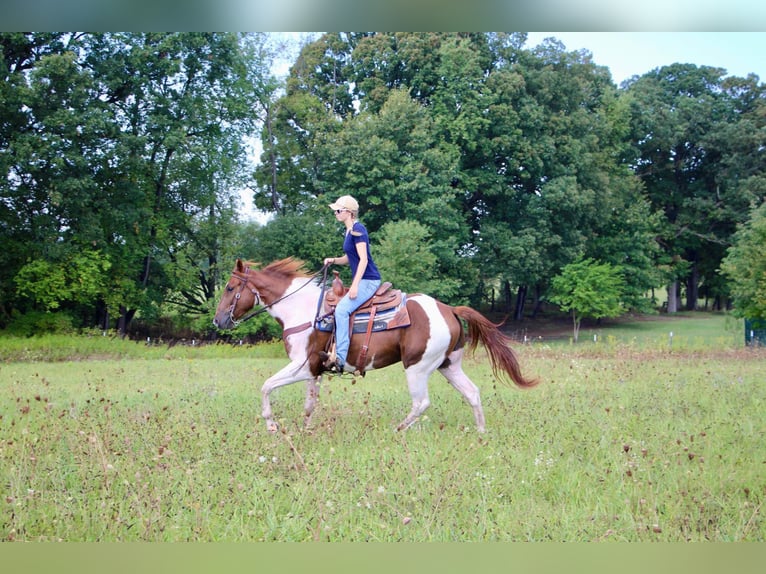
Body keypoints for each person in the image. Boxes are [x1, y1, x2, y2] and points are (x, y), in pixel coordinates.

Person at [322, 195, 381, 373]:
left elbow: (363, 260)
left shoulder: (358, 229)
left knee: (341, 310)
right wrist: (334, 260)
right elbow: (350, 258)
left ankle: (340, 360)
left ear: (349, 212)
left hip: (368, 280)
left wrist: (355, 285)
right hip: (362, 279)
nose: (336, 213)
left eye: (338, 210)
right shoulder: (348, 231)